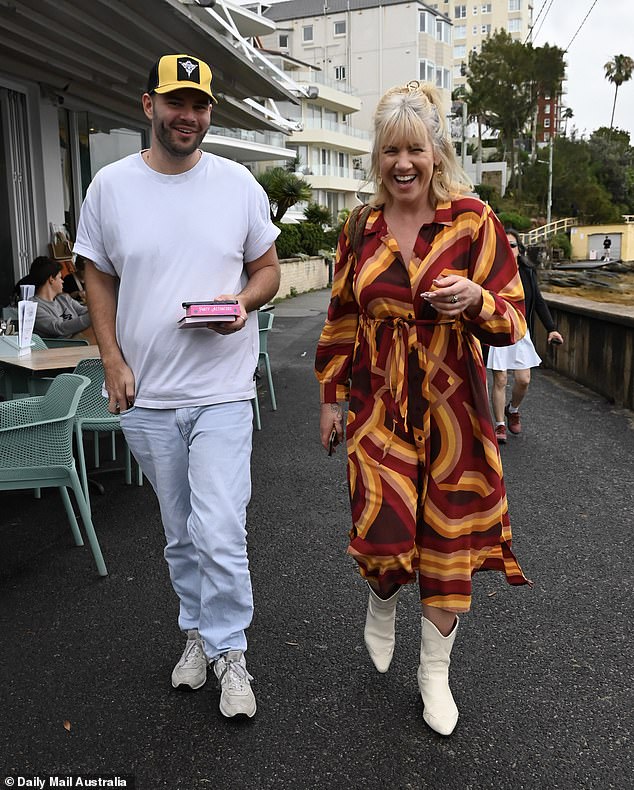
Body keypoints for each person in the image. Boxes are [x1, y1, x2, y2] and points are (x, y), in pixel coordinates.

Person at [315, 81, 530, 736]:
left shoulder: (473, 221)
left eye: (415, 149)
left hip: (455, 412)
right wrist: (331, 397)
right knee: (383, 533)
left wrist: (478, 301)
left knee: (447, 547)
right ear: (377, 159)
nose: (403, 164)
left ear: (436, 152)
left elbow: (514, 316)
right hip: (380, 406)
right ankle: (381, 599)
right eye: (390, 152)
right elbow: (341, 318)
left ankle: (433, 674)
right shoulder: (361, 227)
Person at [73, 53, 281, 719]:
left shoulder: (239, 184)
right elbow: (96, 275)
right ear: (148, 106)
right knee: (179, 531)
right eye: (175, 103)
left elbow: (269, 270)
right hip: (149, 395)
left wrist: (243, 304)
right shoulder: (109, 187)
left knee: (219, 526)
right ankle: (197, 632)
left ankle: (232, 651)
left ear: (209, 113)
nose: (187, 116)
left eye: (198, 106)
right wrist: (111, 357)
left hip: (222, 387)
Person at [487, 229, 564, 444]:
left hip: (521, 331)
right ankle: (500, 425)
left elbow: (538, 302)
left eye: (512, 245)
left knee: (523, 380)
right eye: (504, 244)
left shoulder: (528, 273)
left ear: (519, 250)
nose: (508, 248)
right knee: (500, 379)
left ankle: (513, 409)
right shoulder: (492, 271)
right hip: (498, 329)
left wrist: (552, 328)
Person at [15, 256, 95, 342]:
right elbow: (58, 328)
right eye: (60, 277)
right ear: (51, 279)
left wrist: (100, 311)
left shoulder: (64, 298)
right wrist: (94, 316)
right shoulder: (33, 307)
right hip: (59, 348)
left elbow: (84, 311)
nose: (62, 281)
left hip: (78, 343)